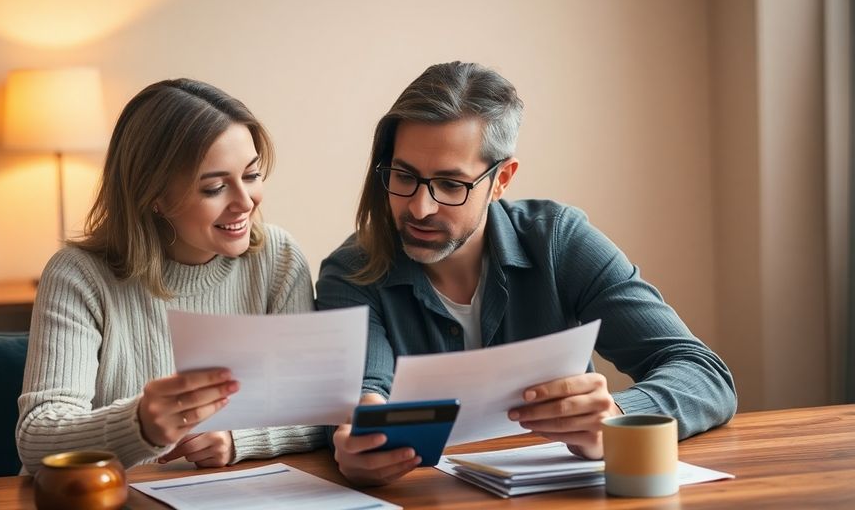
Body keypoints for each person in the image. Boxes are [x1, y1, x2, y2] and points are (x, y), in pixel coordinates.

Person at [316, 61, 737, 486]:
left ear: (502, 179)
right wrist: (356, 431)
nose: (420, 208)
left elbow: (703, 373)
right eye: (404, 176)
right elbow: (364, 390)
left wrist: (619, 417)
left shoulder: (559, 239)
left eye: (450, 184)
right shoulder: (351, 270)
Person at [17, 79, 325, 474]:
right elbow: (35, 439)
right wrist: (140, 423)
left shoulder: (277, 258)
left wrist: (236, 439)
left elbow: (320, 406)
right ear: (155, 197)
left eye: (251, 175)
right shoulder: (78, 276)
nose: (245, 202)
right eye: (215, 187)